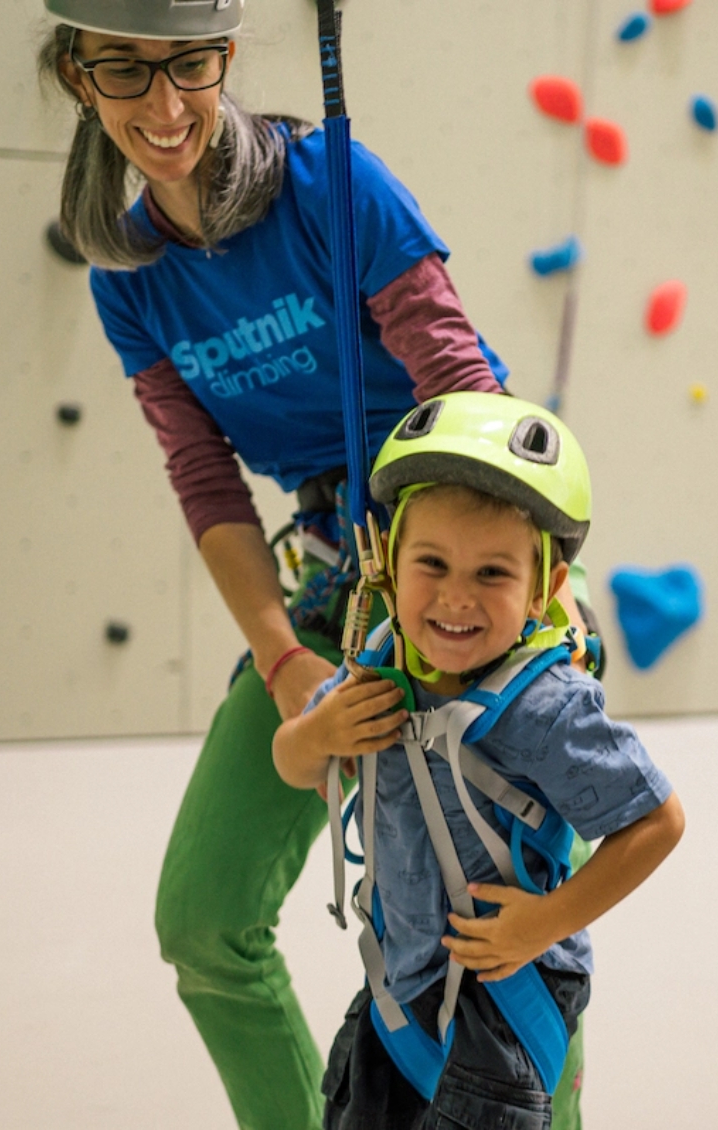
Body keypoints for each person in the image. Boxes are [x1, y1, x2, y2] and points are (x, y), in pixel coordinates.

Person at [35, 4, 589, 1125]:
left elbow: (458, 375)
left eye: (188, 65)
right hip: (331, 579)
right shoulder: (127, 277)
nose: (164, 104)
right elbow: (205, 478)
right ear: (73, 78)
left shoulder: (331, 182)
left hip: (455, 555)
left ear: (226, 60)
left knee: (503, 929)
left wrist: (490, 587)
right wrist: (283, 657)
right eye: (125, 73)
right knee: (205, 919)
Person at [274, 393, 685, 1128]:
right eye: (430, 563)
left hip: (506, 995)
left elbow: (657, 822)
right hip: (397, 990)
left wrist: (545, 923)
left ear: (544, 591)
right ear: (388, 568)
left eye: (492, 574)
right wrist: (320, 733)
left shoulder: (546, 708)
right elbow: (292, 763)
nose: (455, 596)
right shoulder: (375, 670)